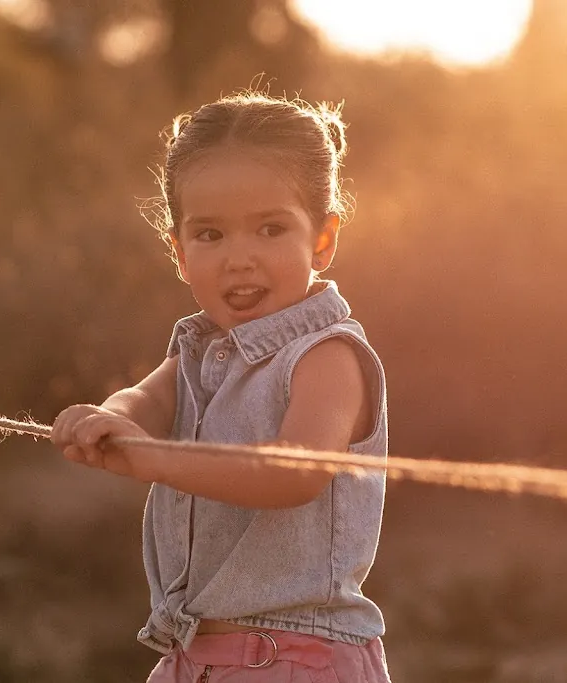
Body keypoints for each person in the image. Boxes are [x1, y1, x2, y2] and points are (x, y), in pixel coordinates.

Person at [50, 90, 391, 682]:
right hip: (192, 656)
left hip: (298, 659)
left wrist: (153, 458)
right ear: (179, 253)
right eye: (210, 235)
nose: (240, 258)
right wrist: (105, 416)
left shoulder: (328, 356)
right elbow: (147, 401)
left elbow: (292, 475)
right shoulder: (200, 349)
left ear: (323, 240)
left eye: (270, 229)